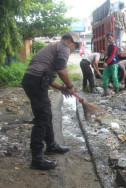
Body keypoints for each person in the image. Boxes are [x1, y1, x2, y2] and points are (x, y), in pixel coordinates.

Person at [21, 32, 78, 170]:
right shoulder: (63, 48)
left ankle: (51, 145)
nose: (74, 49)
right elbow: (61, 70)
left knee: (46, 115)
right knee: (42, 118)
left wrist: (61, 88)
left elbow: (49, 77)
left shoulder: (54, 47)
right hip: (36, 81)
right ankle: (37, 158)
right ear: (70, 41)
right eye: (75, 46)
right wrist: (70, 86)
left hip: (33, 80)